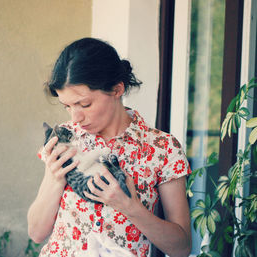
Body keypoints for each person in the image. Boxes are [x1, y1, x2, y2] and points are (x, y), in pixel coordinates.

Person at [27, 37, 192, 257]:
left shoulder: (162, 149)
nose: (75, 117)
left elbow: (181, 248)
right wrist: (55, 178)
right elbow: (36, 233)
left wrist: (130, 207)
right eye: (67, 106)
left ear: (117, 89)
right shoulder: (64, 139)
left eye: (84, 104)